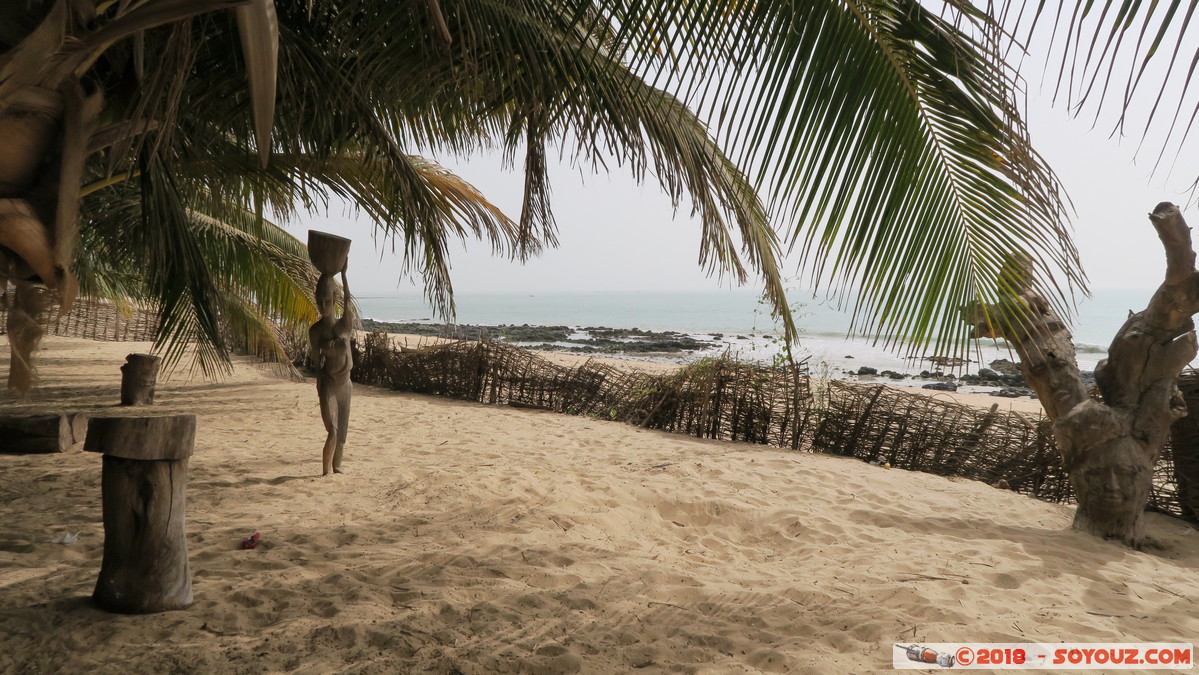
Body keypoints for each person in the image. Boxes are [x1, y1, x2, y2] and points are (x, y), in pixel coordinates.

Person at [309, 263, 353, 475]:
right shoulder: (316, 331)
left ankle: (336, 466)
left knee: (342, 432)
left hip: (346, 385)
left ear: (334, 301)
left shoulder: (344, 326)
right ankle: (326, 471)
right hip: (329, 384)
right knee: (332, 429)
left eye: (327, 301)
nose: (323, 306)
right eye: (320, 302)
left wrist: (343, 276)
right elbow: (317, 365)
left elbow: (348, 303)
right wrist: (319, 388)